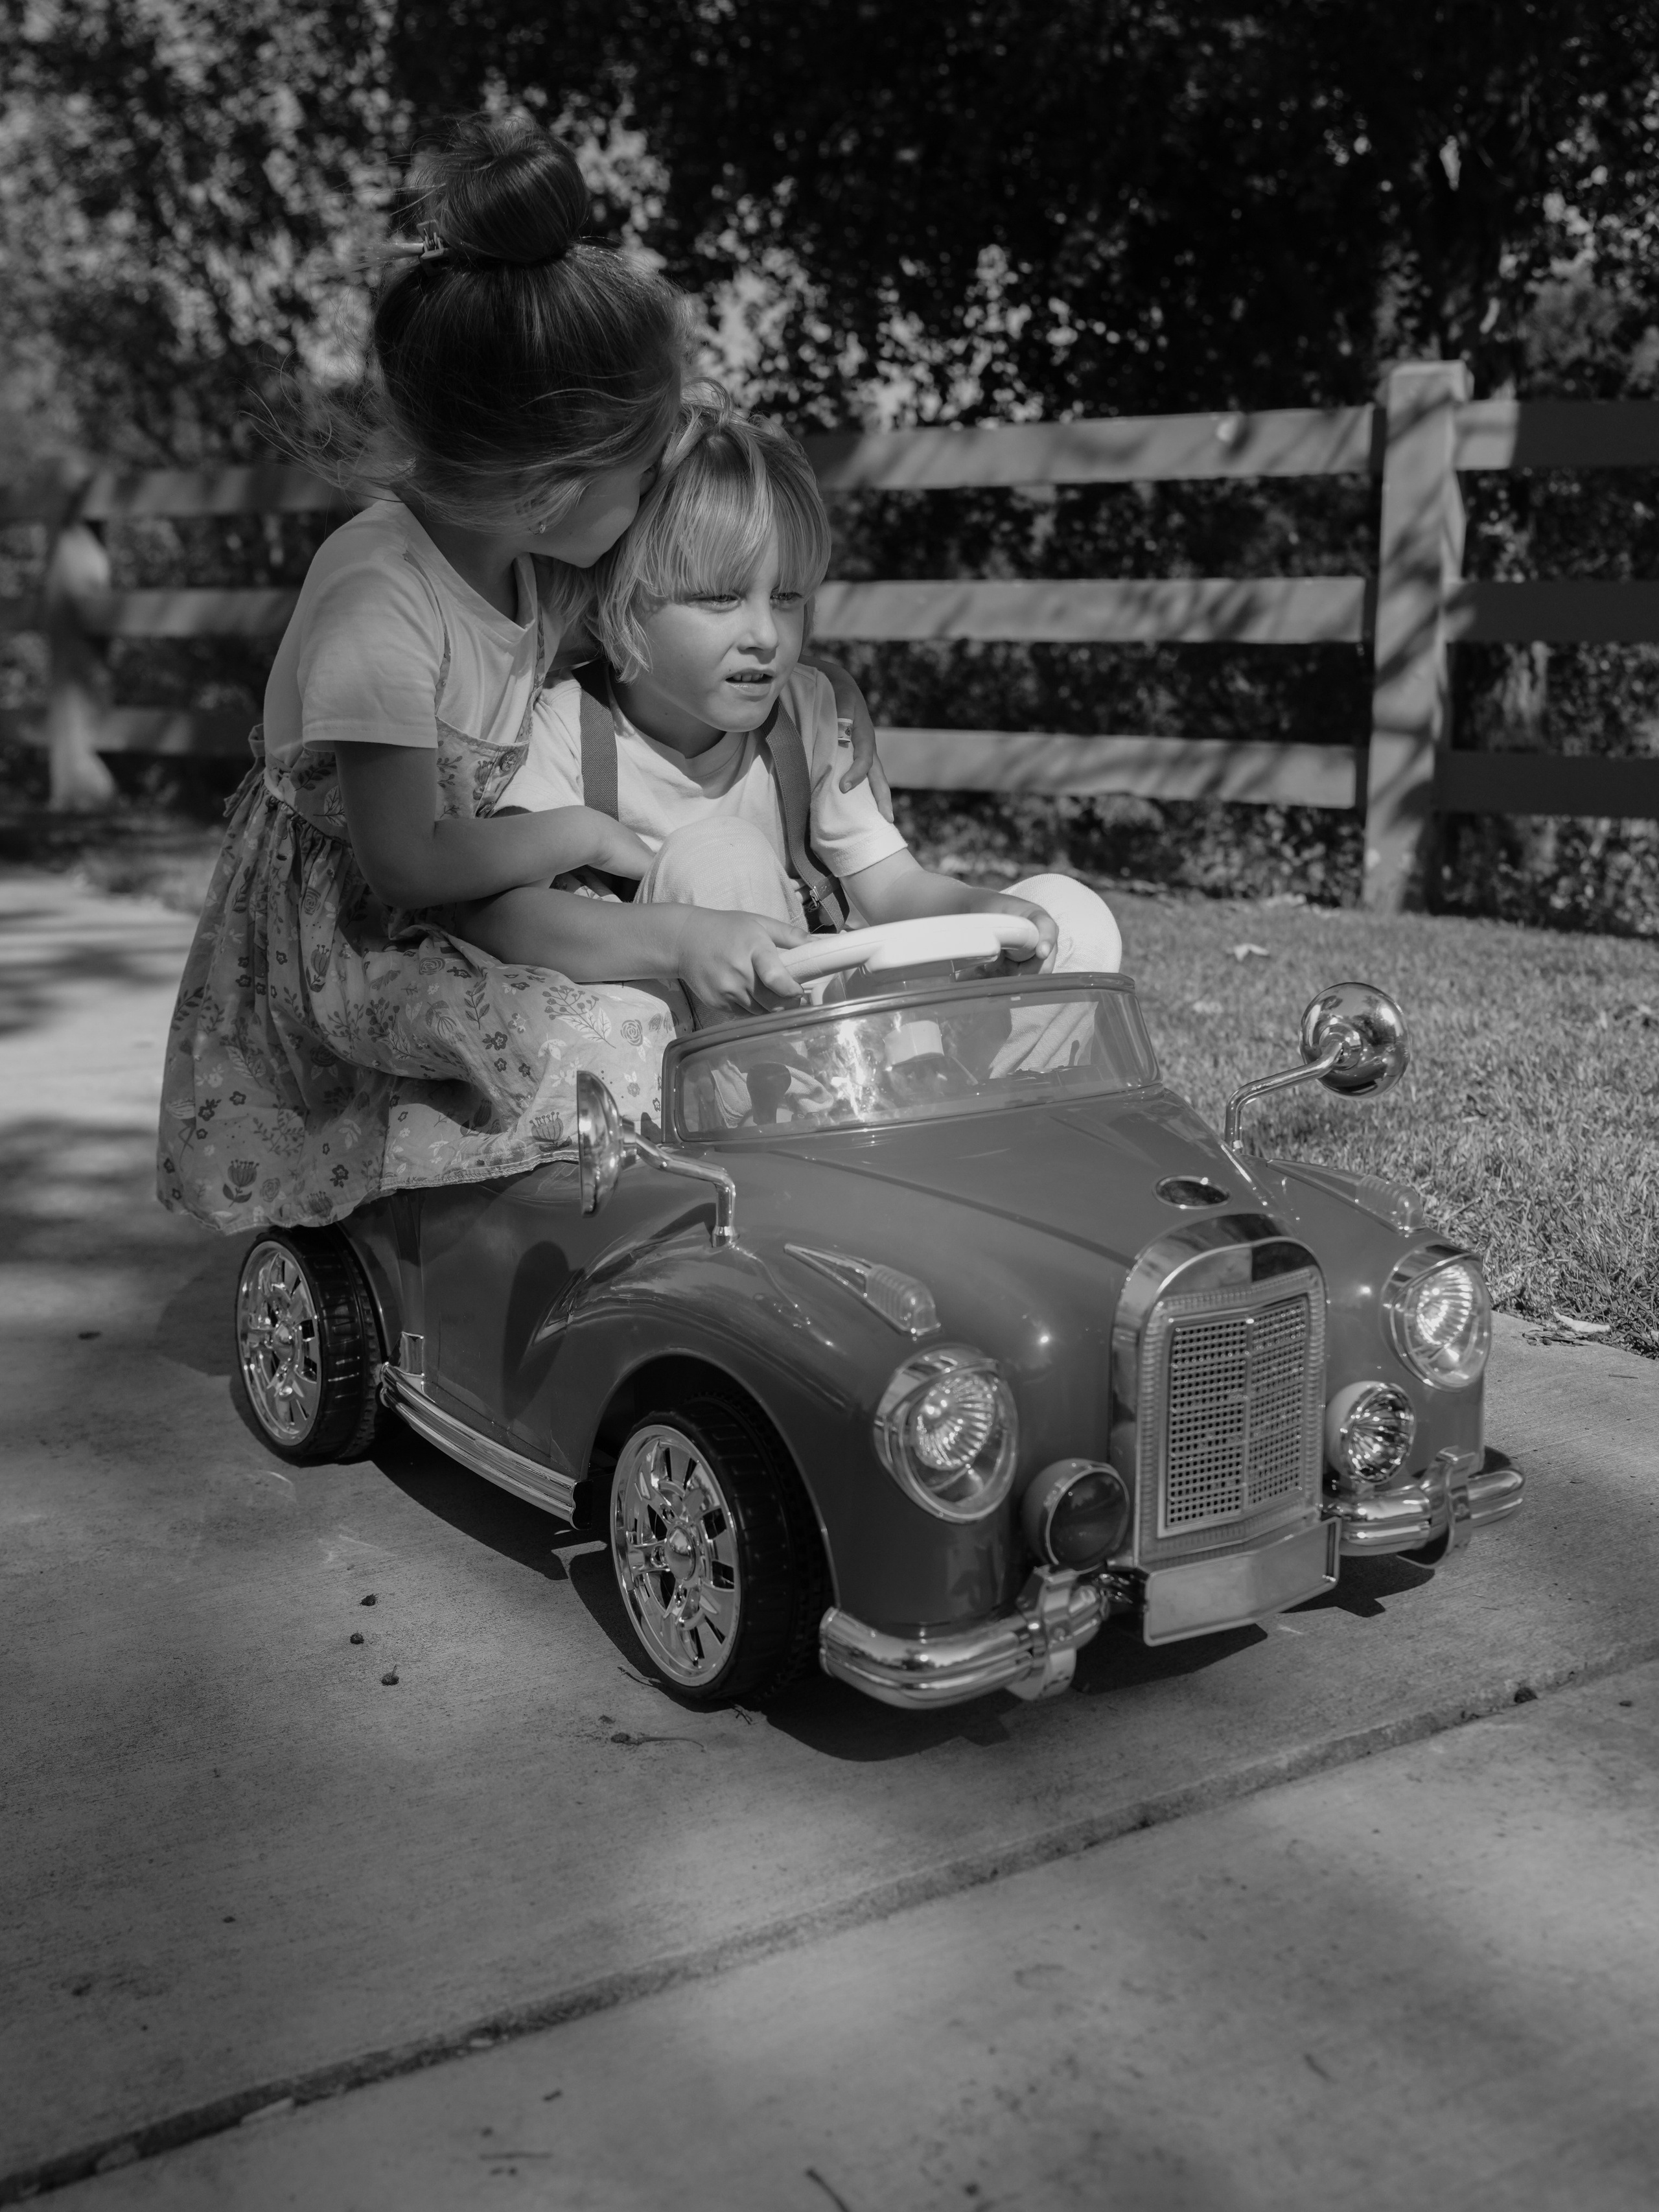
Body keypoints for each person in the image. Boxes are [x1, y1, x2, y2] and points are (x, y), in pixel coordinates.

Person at [156, 118, 879, 1235]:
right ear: (552, 488)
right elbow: (402, 862)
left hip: (457, 906)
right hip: (347, 943)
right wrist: (583, 837)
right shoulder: (379, 591)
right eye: (643, 480)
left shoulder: (530, 560)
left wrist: (809, 719)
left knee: (652, 1001)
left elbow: (661, 653)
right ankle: (454, 1211)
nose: (648, 508)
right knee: (611, 1040)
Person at [461, 383, 1122, 1040]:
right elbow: (500, 917)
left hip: (827, 1012)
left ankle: (1005, 1105)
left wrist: (983, 908)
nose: (766, 635)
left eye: (786, 596)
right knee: (720, 856)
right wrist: (677, 938)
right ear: (617, 601)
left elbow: (891, 888)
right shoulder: (561, 726)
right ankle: (768, 1125)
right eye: (720, 598)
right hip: (676, 1047)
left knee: (1071, 912)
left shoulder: (808, 711)